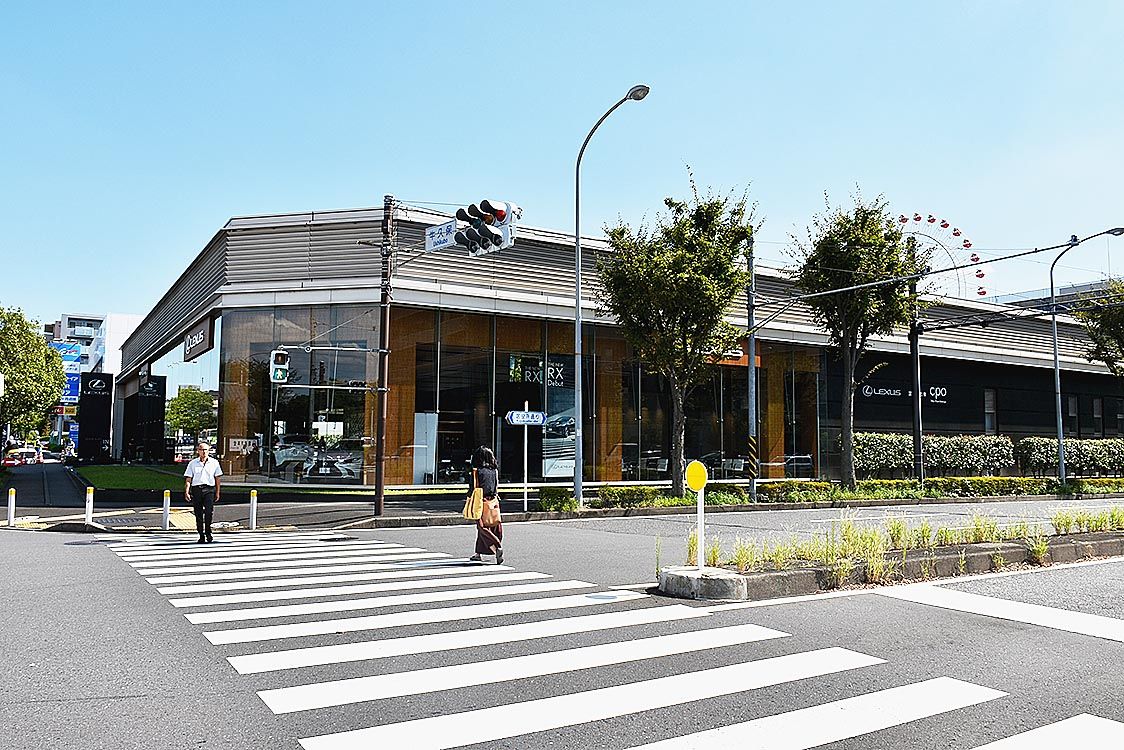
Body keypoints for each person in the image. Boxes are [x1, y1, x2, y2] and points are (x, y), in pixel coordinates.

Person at [468, 446, 503, 564]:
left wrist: (468, 499)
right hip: (493, 502)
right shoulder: (494, 471)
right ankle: (478, 553)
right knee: (492, 525)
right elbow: (496, 487)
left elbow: (473, 488)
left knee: (482, 527)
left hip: (480, 502)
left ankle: (497, 546)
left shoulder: (477, 471)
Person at [183, 441, 223, 543]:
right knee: (198, 513)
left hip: (209, 489)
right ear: (198, 451)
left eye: (205, 450)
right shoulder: (193, 463)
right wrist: (187, 491)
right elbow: (188, 478)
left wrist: (217, 492)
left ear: (209, 451)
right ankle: (201, 534)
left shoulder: (214, 463)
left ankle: (208, 532)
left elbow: (217, 478)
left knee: (209, 511)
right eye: (201, 450)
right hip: (197, 489)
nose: (203, 452)